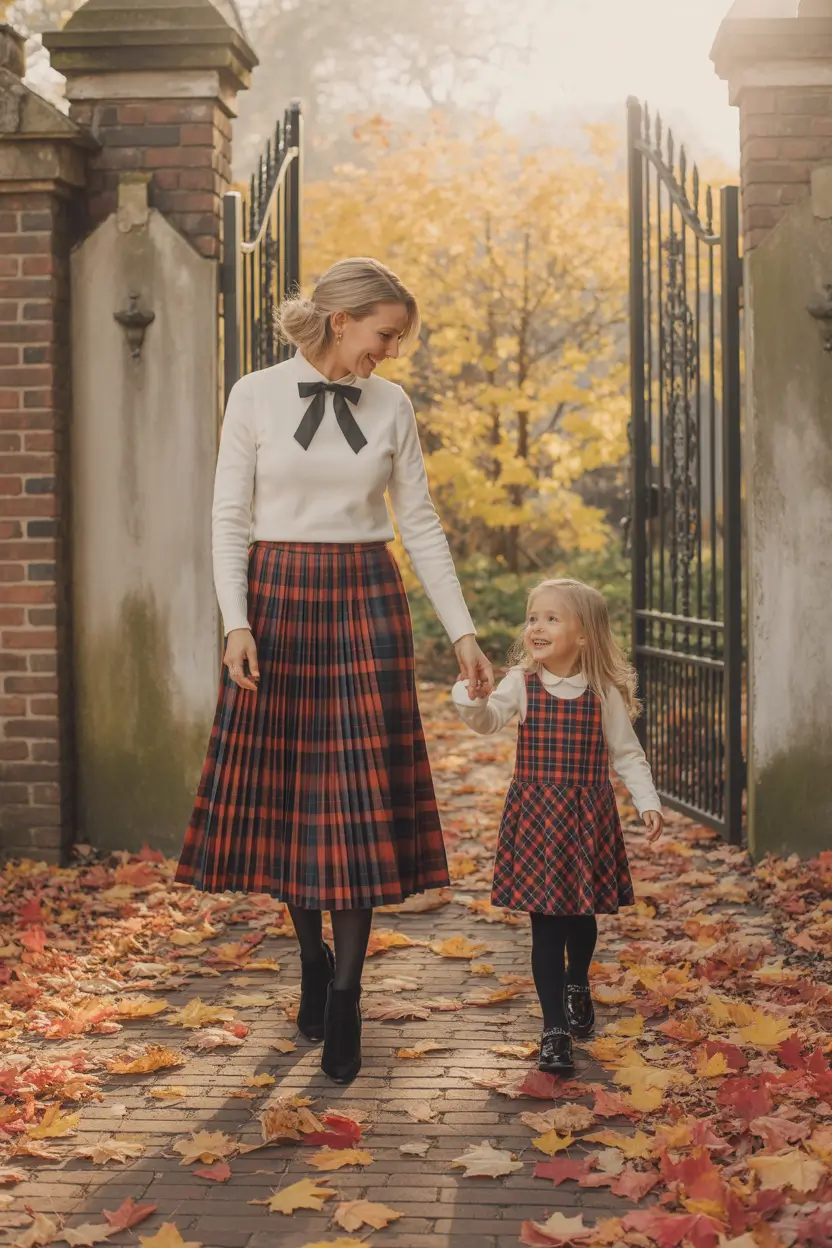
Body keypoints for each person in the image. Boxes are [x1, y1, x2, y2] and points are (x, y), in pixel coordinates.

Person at [176, 257, 493, 1085]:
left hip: (365, 599)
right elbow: (229, 516)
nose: (387, 353)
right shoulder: (254, 394)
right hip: (278, 599)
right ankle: (310, 959)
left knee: (355, 801)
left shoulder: (393, 404)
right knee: (294, 797)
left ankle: (347, 993)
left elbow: (418, 521)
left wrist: (461, 633)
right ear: (342, 319)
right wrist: (236, 621)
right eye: (384, 334)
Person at [453, 577, 662, 1074]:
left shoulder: (602, 692)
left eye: (551, 618)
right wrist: (471, 697)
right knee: (545, 924)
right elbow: (487, 720)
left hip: (586, 820)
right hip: (537, 822)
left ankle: (577, 982)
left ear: (584, 634)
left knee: (579, 917)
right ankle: (554, 1030)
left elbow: (627, 753)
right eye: (533, 618)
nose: (537, 627)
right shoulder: (520, 685)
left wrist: (646, 801)